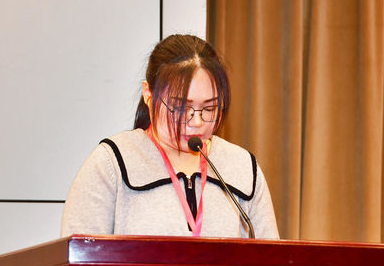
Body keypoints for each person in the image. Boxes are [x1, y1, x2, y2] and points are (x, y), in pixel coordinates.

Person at [61, 34, 279, 239]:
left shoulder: (243, 168)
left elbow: (272, 261)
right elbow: (77, 259)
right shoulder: (112, 164)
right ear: (148, 95)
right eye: (181, 108)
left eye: (209, 108)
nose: (197, 122)